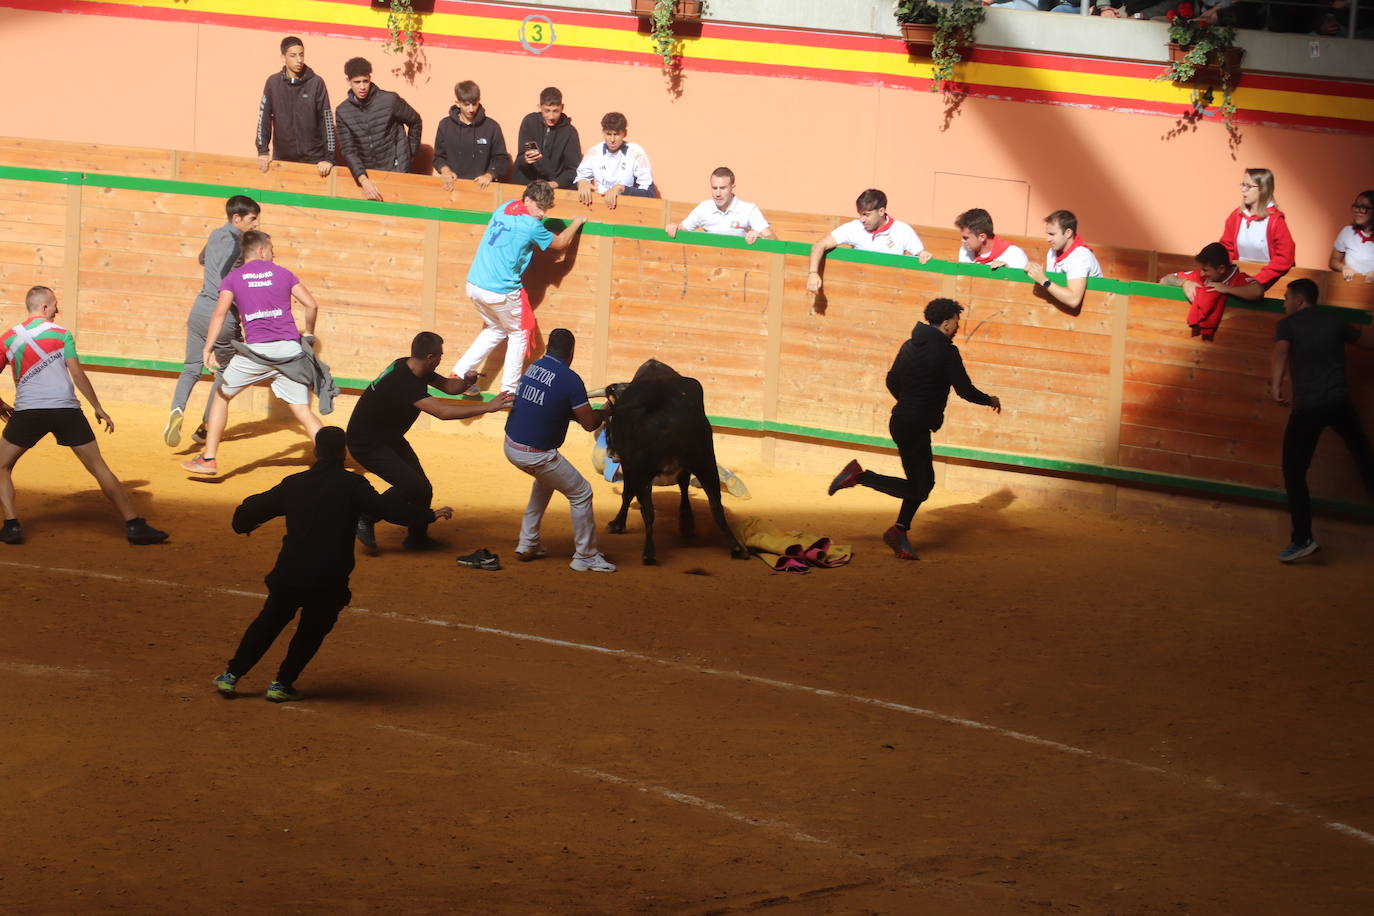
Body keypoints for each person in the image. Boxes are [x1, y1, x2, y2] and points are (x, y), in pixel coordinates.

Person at [212, 426, 451, 702]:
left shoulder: (294, 483)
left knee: (268, 623)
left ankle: (231, 676)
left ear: (316, 451)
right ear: (343, 452)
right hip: (329, 579)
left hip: (290, 574)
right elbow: (388, 510)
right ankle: (281, 683)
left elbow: (253, 509)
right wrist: (428, 516)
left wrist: (245, 523)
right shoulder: (354, 486)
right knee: (310, 632)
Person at [826, 298, 1001, 560]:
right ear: (945, 323)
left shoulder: (909, 345)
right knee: (921, 486)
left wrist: (908, 403)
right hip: (915, 424)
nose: (957, 327)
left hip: (902, 421)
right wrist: (989, 399)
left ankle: (899, 530)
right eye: (956, 321)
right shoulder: (946, 351)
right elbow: (964, 390)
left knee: (920, 482)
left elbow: (891, 380)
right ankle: (860, 476)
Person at [0, 286, 168, 546]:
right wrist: (97, 407)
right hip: (66, 410)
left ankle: (11, 526)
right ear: (44, 307)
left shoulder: (8, 339)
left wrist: (0, 404)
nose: (58, 309)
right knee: (98, 466)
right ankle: (134, 524)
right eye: (55, 305)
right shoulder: (62, 334)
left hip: (28, 411)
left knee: (2, 466)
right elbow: (77, 374)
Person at [348, 331, 513, 553]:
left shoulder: (412, 367)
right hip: (366, 442)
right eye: (440, 356)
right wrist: (488, 407)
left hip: (388, 437)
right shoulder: (403, 381)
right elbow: (442, 411)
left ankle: (416, 539)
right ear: (430, 357)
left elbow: (449, 387)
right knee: (411, 485)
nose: (441, 359)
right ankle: (367, 515)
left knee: (423, 489)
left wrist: (467, 382)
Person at [182, 230, 325, 476]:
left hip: (256, 353)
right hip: (289, 350)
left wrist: (208, 348)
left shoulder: (234, 278)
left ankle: (208, 459)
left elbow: (219, 314)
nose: (273, 254)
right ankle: (330, 461)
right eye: (271, 250)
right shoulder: (283, 273)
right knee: (302, 410)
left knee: (221, 397)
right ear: (261, 250)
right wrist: (309, 332)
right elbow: (311, 304)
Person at [1269, 278, 1374, 563]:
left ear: (1299, 300)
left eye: (1287, 297)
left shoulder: (1288, 325)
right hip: (1339, 402)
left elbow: (1281, 352)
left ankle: (1302, 539)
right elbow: (1370, 342)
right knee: (1363, 455)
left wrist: (1276, 385)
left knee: (1294, 472)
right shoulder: (1334, 321)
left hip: (1309, 407)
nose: (1284, 302)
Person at [449, 180, 587, 395]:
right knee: (520, 333)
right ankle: (509, 391)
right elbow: (560, 244)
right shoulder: (531, 226)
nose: (542, 213)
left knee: (495, 329)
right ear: (527, 200)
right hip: (500, 289)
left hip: (475, 284)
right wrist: (577, 222)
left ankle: (460, 374)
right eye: (539, 207)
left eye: (546, 209)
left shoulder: (505, 207)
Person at [503, 328, 615, 572]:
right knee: (582, 492)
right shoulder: (569, 379)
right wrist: (606, 411)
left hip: (511, 444)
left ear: (547, 349)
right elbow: (589, 424)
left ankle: (527, 542)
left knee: (545, 482)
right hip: (536, 453)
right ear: (571, 353)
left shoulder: (533, 367)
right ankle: (585, 556)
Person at [164, 194, 260, 449]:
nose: (256, 225)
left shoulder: (216, 234)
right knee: (226, 370)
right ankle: (206, 427)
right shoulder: (241, 245)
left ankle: (177, 408)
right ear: (237, 218)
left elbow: (202, 260)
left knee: (191, 367)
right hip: (222, 315)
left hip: (198, 310)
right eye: (252, 219)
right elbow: (231, 282)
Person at [806, 189, 932, 294]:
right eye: (860, 214)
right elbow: (819, 245)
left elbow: (921, 254)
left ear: (881, 211)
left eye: (867, 214)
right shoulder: (854, 227)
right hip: (859, 291)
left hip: (891, 294)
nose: (862, 219)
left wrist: (924, 255)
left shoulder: (902, 230)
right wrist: (813, 273)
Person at [334, 57, 423, 202]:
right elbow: (348, 150)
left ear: (370, 78)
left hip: (397, 171)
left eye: (365, 81)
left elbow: (415, 121)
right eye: (357, 82)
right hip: (367, 175)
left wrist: (409, 155)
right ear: (348, 81)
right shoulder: (343, 111)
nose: (362, 87)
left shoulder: (389, 100)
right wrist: (363, 180)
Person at [256, 36, 335, 177]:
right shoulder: (273, 83)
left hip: (314, 161)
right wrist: (263, 151)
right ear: (283, 58)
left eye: (301, 55)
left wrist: (329, 158)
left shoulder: (316, 83)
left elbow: (327, 121)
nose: (299, 60)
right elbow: (264, 118)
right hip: (282, 159)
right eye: (293, 56)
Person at [1158, 241, 1262, 340]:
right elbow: (1165, 280)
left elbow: (1258, 291)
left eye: (1206, 270)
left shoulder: (1239, 279)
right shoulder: (1200, 275)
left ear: (1221, 269)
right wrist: (1184, 282)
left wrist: (1226, 288)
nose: (1202, 274)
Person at [1219, 168, 1295, 292]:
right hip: (1238, 282)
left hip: (1269, 284)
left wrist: (1257, 280)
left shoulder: (1275, 220)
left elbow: (1285, 257)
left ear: (1262, 189)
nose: (1243, 190)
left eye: (1248, 186)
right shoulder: (1236, 216)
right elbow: (1226, 248)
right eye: (1242, 185)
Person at [433, 80, 511, 193]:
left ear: (479, 101)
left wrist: (490, 175)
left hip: (482, 189)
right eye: (466, 105)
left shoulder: (492, 127)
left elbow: (501, 159)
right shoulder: (445, 125)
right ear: (457, 103)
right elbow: (438, 157)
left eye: (474, 104)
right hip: (451, 188)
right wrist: (445, 171)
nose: (471, 109)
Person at [666, 167, 776, 244]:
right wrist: (674, 227)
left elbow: (773, 239)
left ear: (732, 188)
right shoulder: (704, 208)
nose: (717, 193)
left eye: (722, 188)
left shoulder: (748, 209)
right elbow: (682, 229)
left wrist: (760, 238)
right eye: (714, 188)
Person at [1025, 209, 1104, 311]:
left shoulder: (1080, 256)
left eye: (1052, 234)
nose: (1048, 239)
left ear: (1068, 233)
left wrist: (1044, 281)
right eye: (1047, 234)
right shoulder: (1052, 252)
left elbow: (1073, 300)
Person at [575, 112, 657, 210]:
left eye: (616, 134)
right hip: (599, 207)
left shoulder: (636, 153)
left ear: (624, 133)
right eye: (608, 134)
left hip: (627, 208)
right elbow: (581, 178)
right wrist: (582, 182)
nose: (612, 139)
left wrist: (622, 188)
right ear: (603, 133)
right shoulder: (594, 153)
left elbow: (650, 194)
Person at [513, 87, 582, 190]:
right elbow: (521, 157)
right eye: (547, 111)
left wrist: (555, 183)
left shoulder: (570, 132)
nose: (551, 116)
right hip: (526, 185)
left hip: (555, 188)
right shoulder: (529, 122)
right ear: (539, 107)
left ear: (562, 107)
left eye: (555, 111)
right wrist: (525, 160)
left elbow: (573, 169)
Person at [955, 208, 1029, 270]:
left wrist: (1007, 272)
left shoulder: (1015, 255)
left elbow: (1023, 285)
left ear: (982, 237)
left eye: (966, 238)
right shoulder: (965, 250)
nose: (963, 241)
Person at [1329, 189, 1374, 285]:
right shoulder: (1347, 232)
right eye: (1356, 206)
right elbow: (1333, 262)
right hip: (1351, 288)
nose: (1358, 211)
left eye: (1363, 208)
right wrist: (1344, 267)